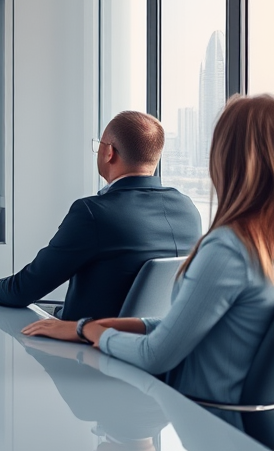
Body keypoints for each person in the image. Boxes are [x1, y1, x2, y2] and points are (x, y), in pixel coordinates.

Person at [22, 95, 274, 422]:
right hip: (238, 431)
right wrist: (104, 325)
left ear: (225, 159)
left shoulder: (228, 248)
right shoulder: (258, 245)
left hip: (207, 423)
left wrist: (88, 332)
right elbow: (195, 326)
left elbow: (155, 356)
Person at [0, 110, 201, 320]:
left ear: (109, 152)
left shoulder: (94, 213)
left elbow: (24, 290)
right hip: (146, 355)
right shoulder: (188, 210)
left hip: (85, 352)